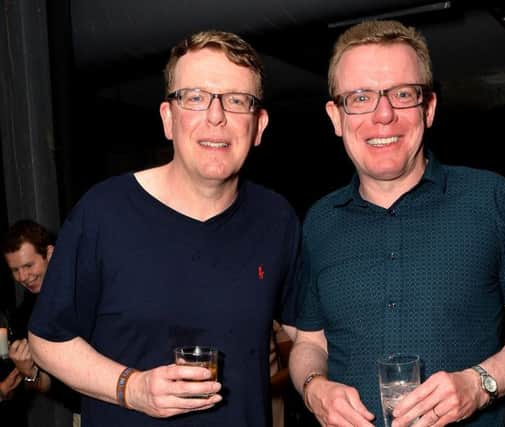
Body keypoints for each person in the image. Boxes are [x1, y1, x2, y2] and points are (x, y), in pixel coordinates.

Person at [289, 20, 505, 427]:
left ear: (428, 108)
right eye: (360, 97)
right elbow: (310, 341)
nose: (383, 115)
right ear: (336, 116)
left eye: (402, 94)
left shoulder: (491, 198)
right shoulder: (318, 221)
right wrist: (313, 388)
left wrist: (478, 384)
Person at [27, 30, 301, 427]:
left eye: (237, 101)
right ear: (168, 119)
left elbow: (310, 334)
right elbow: (47, 340)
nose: (216, 116)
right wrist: (132, 388)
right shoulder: (103, 212)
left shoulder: (277, 219)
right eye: (195, 97)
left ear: (258, 126)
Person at [2, 219, 75, 427]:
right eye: (15, 270)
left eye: (28, 265)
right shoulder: (26, 315)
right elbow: (54, 387)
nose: (23, 276)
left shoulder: (82, 290)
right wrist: (30, 373)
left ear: (50, 254)